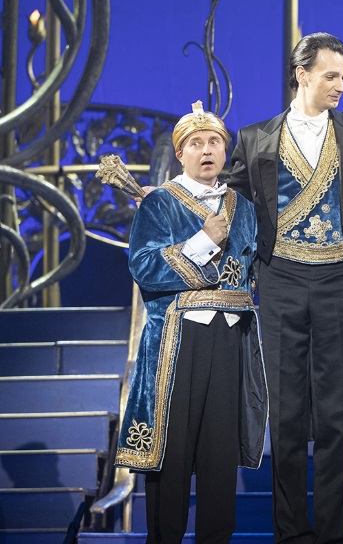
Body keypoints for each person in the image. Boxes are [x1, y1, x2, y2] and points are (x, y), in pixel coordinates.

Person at [228, 32, 343, 543]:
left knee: (336, 417)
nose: (341, 85)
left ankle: (334, 535)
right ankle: (291, 534)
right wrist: (171, 199)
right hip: (279, 282)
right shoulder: (254, 138)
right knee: (287, 417)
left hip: (341, 280)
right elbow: (228, 204)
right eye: (331, 75)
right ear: (301, 74)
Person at [115, 101, 268, 543]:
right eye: (196, 144)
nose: (207, 150)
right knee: (172, 453)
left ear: (225, 151)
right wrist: (202, 241)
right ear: (180, 154)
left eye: (214, 142)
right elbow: (143, 266)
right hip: (176, 340)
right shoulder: (160, 202)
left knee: (219, 459)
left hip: (229, 338)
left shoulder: (244, 207)